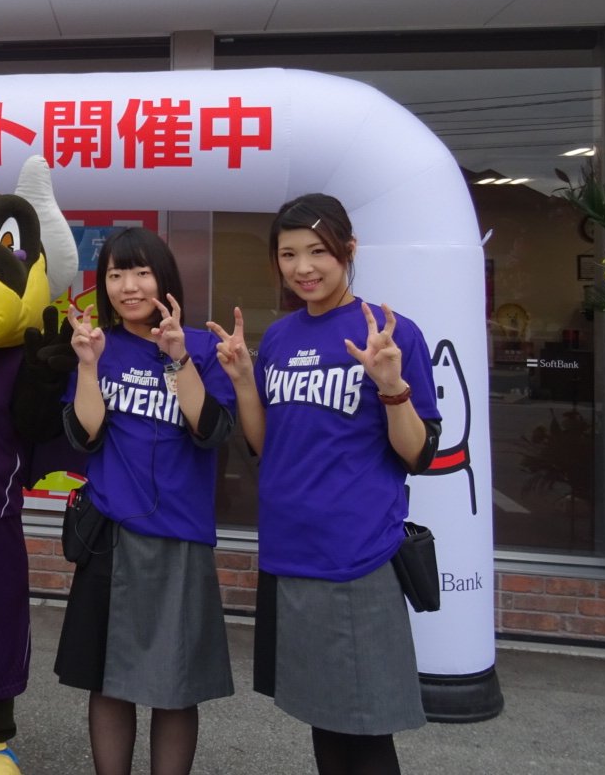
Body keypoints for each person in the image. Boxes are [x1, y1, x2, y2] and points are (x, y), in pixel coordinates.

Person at [206, 193, 442, 775]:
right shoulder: (280, 337)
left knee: (366, 729)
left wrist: (392, 386)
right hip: (290, 550)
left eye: (318, 251)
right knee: (324, 718)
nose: (303, 267)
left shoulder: (389, 335)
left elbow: (417, 453)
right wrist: (243, 380)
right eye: (288, 254)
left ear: (348, 250)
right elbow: (267, 445)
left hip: (357, 552)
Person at [53, 227, 236, 775]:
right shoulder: (98, 346)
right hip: (111, 536)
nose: (128, 286)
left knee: (176, 685)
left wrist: (178, 358)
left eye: (141, 272)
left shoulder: (200, 348)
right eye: (115, 274)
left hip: (180, 537)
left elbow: (210, 431)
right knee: (108, 682)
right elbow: (84, 435)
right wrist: (88, 365)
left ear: (164, 279)